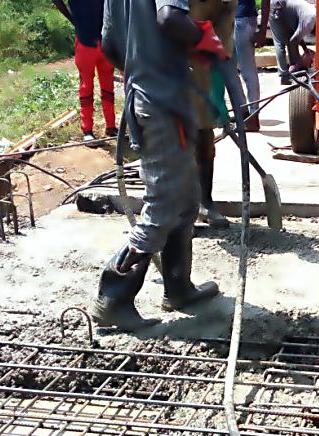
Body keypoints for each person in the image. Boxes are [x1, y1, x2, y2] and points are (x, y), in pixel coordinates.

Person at [91, 0, 227, 331]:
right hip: (163, 104)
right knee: (162, 208)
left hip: (151, 98)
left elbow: (109, 44)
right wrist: (202, 37)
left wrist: (144, 65)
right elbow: (170, 18)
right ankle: (113, 296)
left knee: (185, 199)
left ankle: (178, 287)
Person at [189, 0, 236, 228]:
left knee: (204, 136)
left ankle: (204, 203)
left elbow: (225, 31)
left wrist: (219, 88)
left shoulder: (224, 6)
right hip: (171, 61)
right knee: (175, 138)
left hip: (204, 62)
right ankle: (179, 213)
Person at [52, 0, 117, 142]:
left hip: (105, 38)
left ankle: (111, 126)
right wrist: (73, 19)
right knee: (86, 86)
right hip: (85, 40)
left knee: (108, 84)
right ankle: (87, 130)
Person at [235, 0, 271, 132]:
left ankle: (252, 115)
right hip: (241, 19)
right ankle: (247, 114)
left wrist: (262, 31)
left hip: (241, 20)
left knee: (246, 71)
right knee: (233, 71)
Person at [270, 0, 316, 83]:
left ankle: (296, 73)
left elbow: (297, 34)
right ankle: (284, 76)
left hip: (286, 8)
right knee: (280, 43)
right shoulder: (309, 23)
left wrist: (305, 49)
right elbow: (293, 42)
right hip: (276, 6)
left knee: (291, 38)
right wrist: (300, 63)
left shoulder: (313, 18)